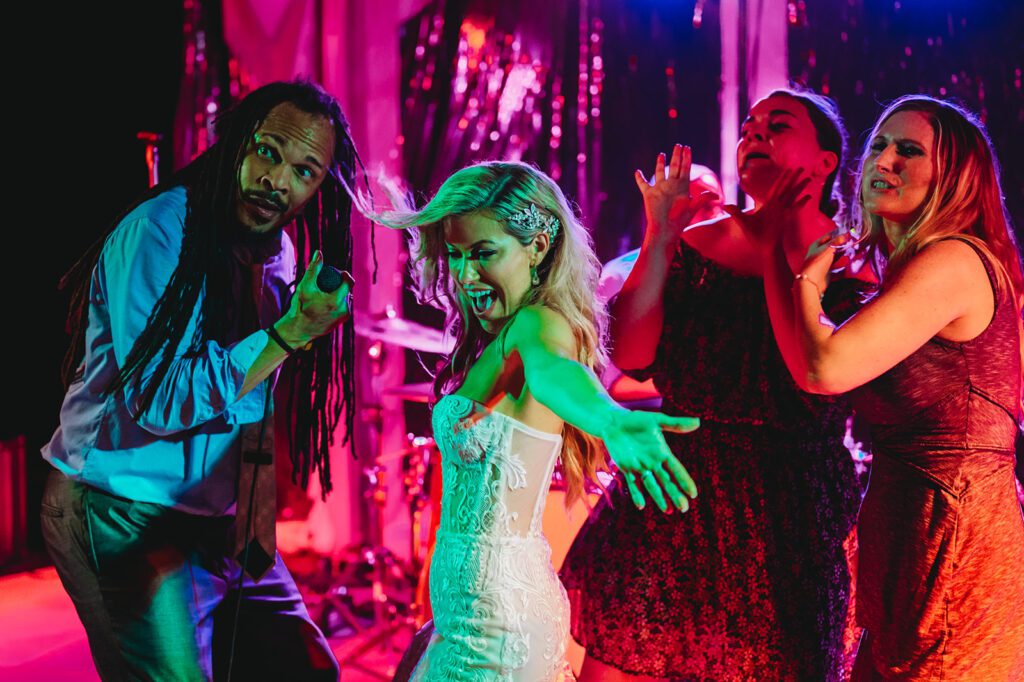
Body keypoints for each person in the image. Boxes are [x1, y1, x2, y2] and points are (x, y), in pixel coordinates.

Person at [41, 80, 361, 681]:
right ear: (236, 142)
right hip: (123, 506)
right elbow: (156, 399)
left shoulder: (280, 253)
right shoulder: (162, 231)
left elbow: (248, 402)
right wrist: (287, 336)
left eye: (304, 170)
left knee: (310, 671)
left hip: (222, 521)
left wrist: (253, 520)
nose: (278, 180)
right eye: (267, 151)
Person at [560, 89, 863, 681]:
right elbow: (631, 355)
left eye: (777, 125)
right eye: (749, 127)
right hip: (678, 489)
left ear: (827, 162)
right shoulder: (698, 240)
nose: (755, 135)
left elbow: (818, 376)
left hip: (789, 508)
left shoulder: (855, 263)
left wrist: (779, 242)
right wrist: (660, 235)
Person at [372, 161, 701, 680]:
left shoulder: (537, 323)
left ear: (540, 246)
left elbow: (555, 372)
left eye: (483, 254)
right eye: (455, 254)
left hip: (499, 627)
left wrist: (610, 420)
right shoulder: (500, 337)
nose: (464, 274)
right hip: (467, 619)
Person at [758, 95, 1024, 680]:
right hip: (908, 524)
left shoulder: (953, 259)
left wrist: (803, 273)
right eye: (878, 145)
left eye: (909, 150)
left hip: (953, 530)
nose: (885, 160)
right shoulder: (909, 267)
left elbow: (823, 368)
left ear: (954, 177)